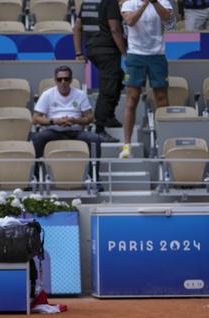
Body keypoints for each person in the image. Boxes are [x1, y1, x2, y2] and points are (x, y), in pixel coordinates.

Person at [119, 0, 174, 159]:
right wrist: (144, 4)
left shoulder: (163, 2)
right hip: (136, 55)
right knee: (132, 99)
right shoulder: (129, 3)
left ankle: (165, 143)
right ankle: (127, 146)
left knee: (162, 99)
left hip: (157, 55)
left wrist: (154, 2)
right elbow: (130, 21)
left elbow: (167, 19)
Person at [31, 65, 101, 183]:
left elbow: (90, 117)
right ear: (55, 81)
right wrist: (54, 121)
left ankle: (94, 178)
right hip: (54, 130)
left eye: (66, 79)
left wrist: (75, 120)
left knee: (94, 138)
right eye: (59, 79)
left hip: (76, 131)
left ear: (71, 80)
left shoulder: (79, 94)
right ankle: (36, 178)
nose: (63, 82)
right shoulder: (47, 94)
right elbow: (35, 118)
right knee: (37, 138)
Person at [73, 0, 126, 143]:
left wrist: (78, 52)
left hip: (92, 51)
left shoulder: (87, 3)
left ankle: (109, 117)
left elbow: (77, 28)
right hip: (107, 51)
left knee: (118, 77)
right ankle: (99, 129)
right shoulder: (110, 2)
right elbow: (115, 29)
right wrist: (126, 53)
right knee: (107, 90)